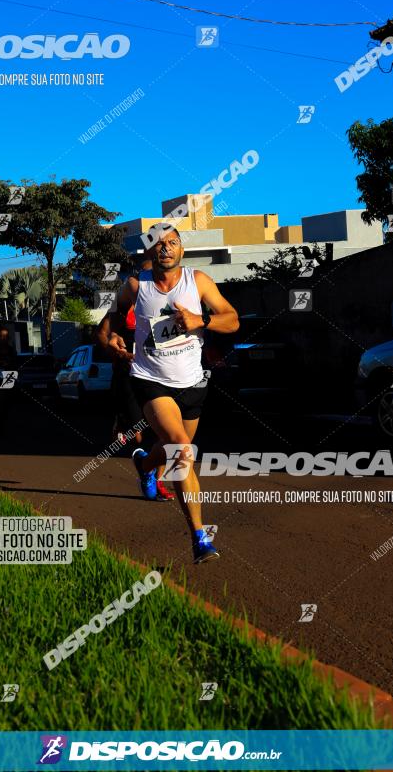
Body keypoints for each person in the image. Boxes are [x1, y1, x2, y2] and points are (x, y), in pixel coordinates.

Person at [105, 224, 239, 563]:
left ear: (182, 249)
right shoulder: (136, 286)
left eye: (173, 243)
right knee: (182, 450)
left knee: (169, 449)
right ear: (150, 252)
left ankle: (147, 467)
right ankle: (199, 538)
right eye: (159, 244)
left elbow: (232, 319)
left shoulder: (199, 282)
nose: (166, 248)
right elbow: (109, 324)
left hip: (192, 383)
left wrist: (201, 320)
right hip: (150, 380)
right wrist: (112, 339)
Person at [98, 299, 174, 502]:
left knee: (165, 432)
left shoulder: (159, 306)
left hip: (156, 376)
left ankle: (156, 481)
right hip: (127, 377)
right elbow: (101, 335)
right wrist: (118, 353)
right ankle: (143, 463)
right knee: (138, 436)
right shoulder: (119, 309)